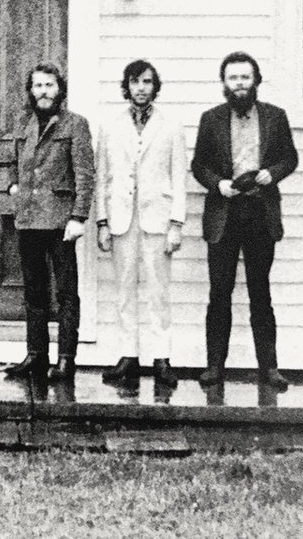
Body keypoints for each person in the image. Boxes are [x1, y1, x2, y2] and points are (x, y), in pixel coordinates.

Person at [191, 51, 299, 392]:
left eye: (245, 77)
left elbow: (290, 157)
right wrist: (218, 184)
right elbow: (199, 165)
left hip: (261, 214)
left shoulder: (275, 117)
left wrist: (273, 173)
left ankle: (269, 369)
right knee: (219, 293)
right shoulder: (210, 119)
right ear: (224, 83)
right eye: (233, 78)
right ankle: (214, 368)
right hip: (225, 214)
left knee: (260, 293)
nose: (239, 84)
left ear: (256, 81)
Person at [95, 59, 186, 391]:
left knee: (158, 292)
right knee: (124, 290)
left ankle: (162, 358)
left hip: (157, 220)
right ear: (127, 86)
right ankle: (128, 356)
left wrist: (176, 223)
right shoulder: (110, 126)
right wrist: (102, 222)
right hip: (121, 219)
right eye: (135, 82)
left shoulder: (171, 126)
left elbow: (179, 177)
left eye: (147, 82)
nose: (141, 88)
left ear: (155, 86)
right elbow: (103, 177)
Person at [3, 64, 95, 381]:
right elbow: (13, 161)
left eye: (49, 85)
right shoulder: (23, 124)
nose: (43, 91)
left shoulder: (75, 125)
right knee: (34, 293)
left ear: (60, 89)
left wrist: (79, 216)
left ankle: (66, 359)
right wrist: (14, 186)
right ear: (31, 90)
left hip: (60, 222)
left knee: (67, 294)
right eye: (38, 85)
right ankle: (36, 356)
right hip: (28, 219)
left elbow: (85, 174)